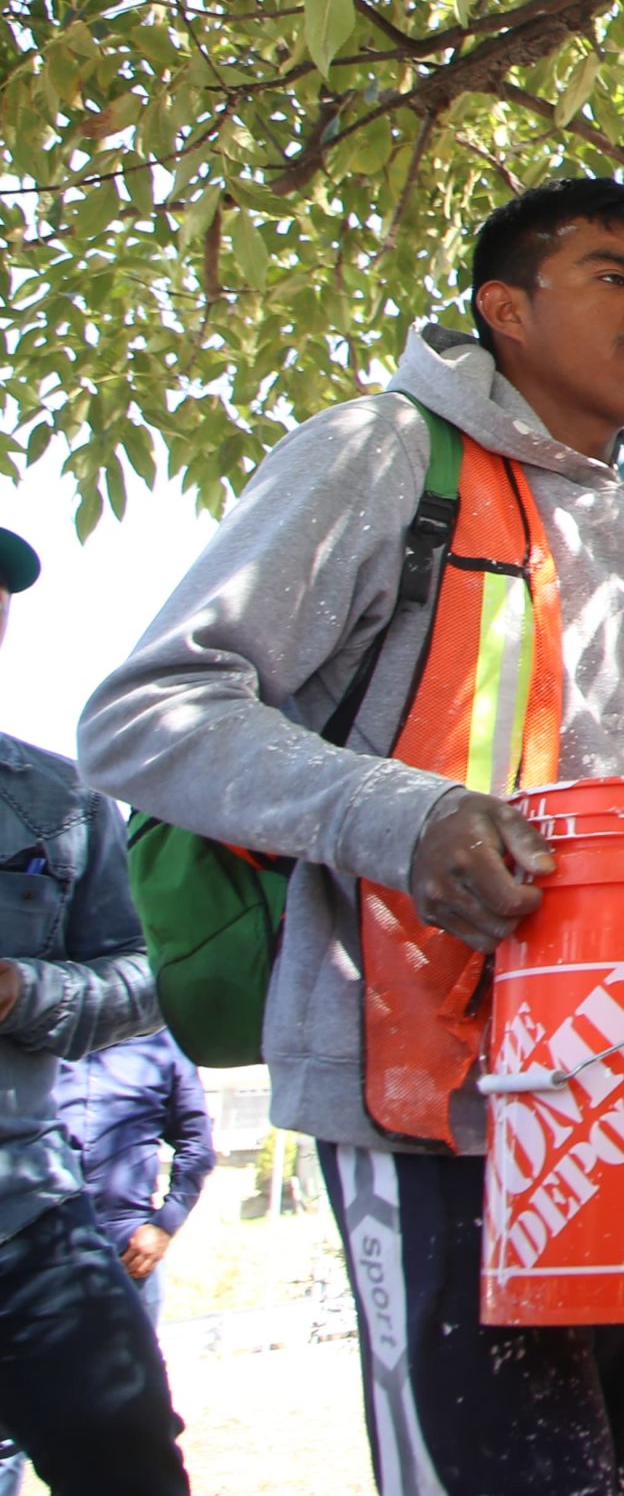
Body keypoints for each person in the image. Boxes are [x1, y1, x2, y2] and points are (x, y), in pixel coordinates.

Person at [79, 178, 624, 1496]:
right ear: (503, 308)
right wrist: (397, 814)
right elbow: (146, 714)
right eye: (612, 272)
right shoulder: (381, 456)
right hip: (435, 1094)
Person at [0, 524, 189, 1496]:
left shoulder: (58, 800)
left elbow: (143, 983)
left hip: (29, 1218)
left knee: (134, 1465)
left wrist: (25, 991)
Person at [56, 1026, 217, 1324]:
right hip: (40, 1241)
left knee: (129, 1370)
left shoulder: (164, 1044)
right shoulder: (39, 1035)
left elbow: (197, 1146)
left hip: (129, 1248)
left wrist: (164, 1226)